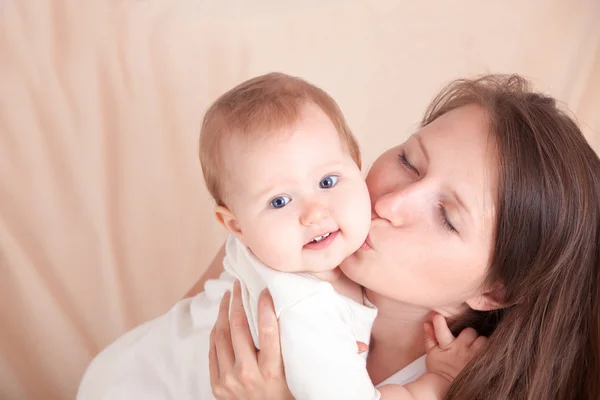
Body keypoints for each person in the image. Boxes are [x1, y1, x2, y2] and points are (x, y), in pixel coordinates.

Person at [76, 73, 483, 400]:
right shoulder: (305, 302)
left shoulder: (276, 240)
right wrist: (432, 387)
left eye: (447, 217)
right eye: (408, 162)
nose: (314, 212)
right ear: (236, 225)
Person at [204, 74, 600, 400]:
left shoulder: (462, 385)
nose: (390, 204)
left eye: (446, 217)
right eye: (408, 161)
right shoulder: (274, 236)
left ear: (495, 291)